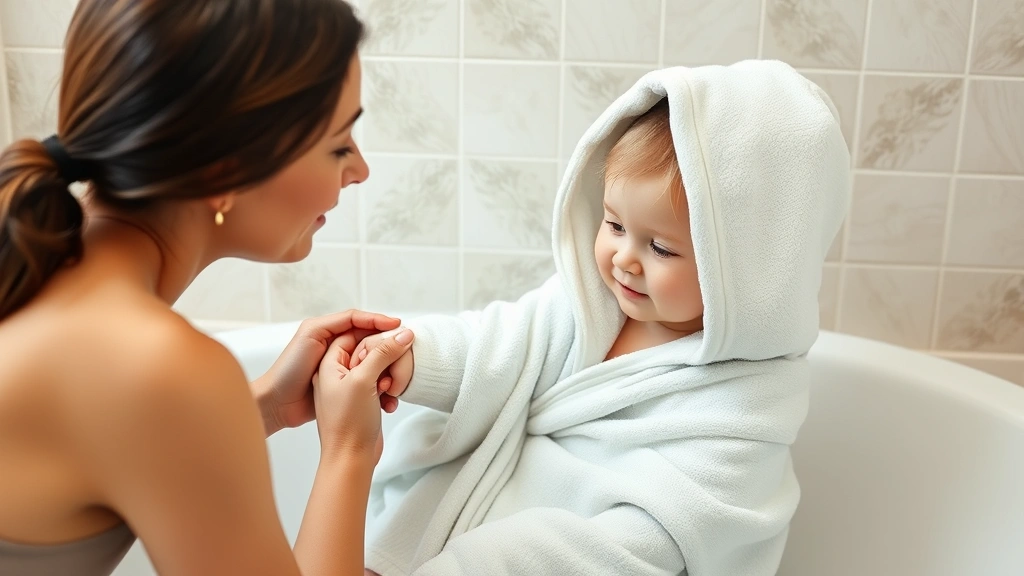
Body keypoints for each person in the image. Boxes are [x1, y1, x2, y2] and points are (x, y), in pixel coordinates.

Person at [351, 60, 850, 575]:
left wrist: (485, 563)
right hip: (476, 507)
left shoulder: (747, 407)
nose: (623, 259)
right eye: (614, 224)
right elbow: (494, 347)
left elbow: (645, 543)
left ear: (749, 269)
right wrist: (409, 358)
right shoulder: (592, 303)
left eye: (660, 247)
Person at [0, 1, 409, 575]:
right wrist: (351, 451)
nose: (360, 169)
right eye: (339, 145)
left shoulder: (37, 276)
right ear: (224, 171)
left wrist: (263, 406)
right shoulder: (156, 369)